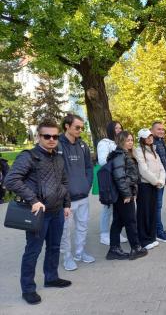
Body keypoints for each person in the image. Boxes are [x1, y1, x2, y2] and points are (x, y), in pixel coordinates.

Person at [4, 119, 72, 305]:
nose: (51, 139)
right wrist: (33, 200)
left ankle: (51, 277)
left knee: (54, 247)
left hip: (57, 211)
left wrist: (66, 204)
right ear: (38, 137)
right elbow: (11, 180)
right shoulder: (29, 156)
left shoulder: (58, 157)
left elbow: (64, 183)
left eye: (55, 136)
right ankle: (28, 289)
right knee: (32, 251)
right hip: (38, 214)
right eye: (47, 136)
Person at [58, 114, 94, 271]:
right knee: (65, 230)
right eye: (77, 127)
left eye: (82, 127)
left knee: (82, 226)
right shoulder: (57, 144)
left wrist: (87, 185)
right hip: (65, 199)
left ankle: (80, 253)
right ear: (67, 126)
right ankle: (67, 257)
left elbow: (89, 167)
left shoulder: (83, 146)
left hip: (83, 195)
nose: (80, 130)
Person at [106, 131, 148, 260]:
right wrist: (127, 194)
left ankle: (114, 249)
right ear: (121, 141)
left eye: (131, 140)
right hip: (123, 195)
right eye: (127, 140)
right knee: (130, 221)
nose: (130, 142)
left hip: (121, 194)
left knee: (118, 221)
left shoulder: (122, 154)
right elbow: (119, 177)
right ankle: (136, 248)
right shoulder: (120, 155)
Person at [97, 121, 128, 246]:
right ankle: (104, 234)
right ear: (111, 129)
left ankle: (116, 231)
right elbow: (102, 161)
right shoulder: (104, 143)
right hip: (110, 179)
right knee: (108, 207)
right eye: (116, 128)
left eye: (120, 128)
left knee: (118, 207)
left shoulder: (120, 143)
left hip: (121, 178)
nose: (119, 130)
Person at [136, 128, 166, 250]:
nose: (150, 138)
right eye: (147, 137)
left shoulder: (154, 150)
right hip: (145, 186)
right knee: (144, 212)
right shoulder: (138, 151)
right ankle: (144, 239)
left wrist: (161, 181)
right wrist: (156, 181)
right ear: (142, 139)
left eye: (150, 136)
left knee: (153, 211)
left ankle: (151, 237)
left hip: (155, 185)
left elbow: (161, 168)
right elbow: (143, 170)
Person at [151, 121, 166, 243]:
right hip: (156, 181)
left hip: (162, 180)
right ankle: (158, 232)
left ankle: (158, 228)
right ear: (152, 130)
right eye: (159, 129)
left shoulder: (161, 141)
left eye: (163, 129)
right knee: (157, 206)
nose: (161, 131)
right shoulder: (151, 143)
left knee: (158, 206)